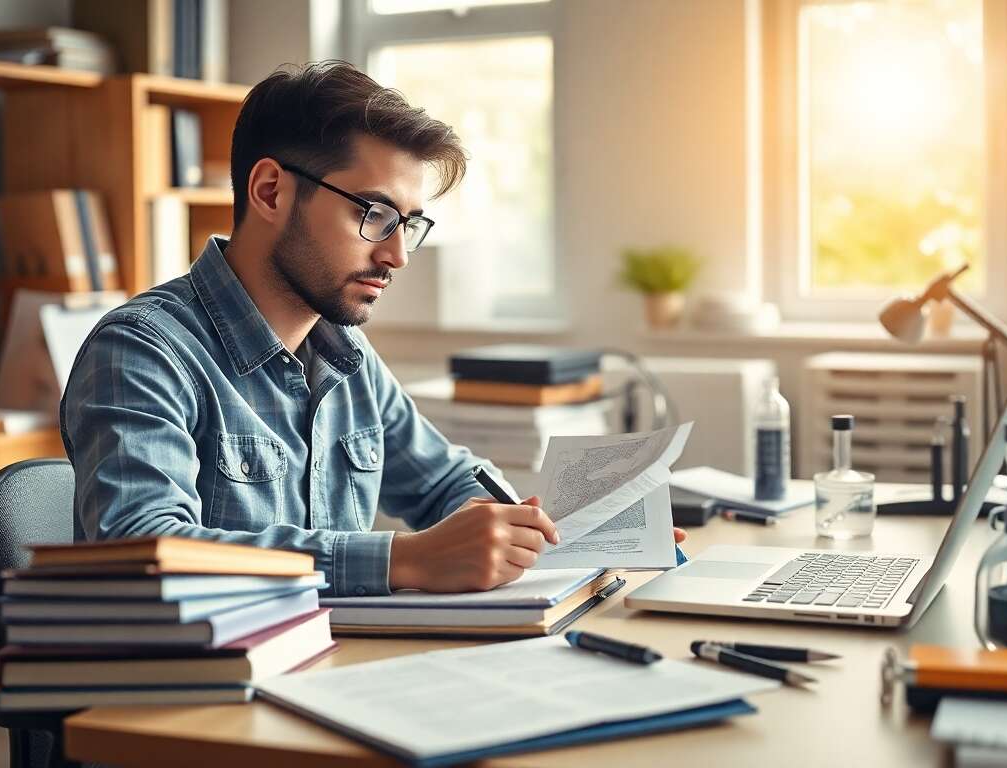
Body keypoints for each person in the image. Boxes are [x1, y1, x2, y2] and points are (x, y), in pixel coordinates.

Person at [61, 61, 683, 597]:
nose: (397, 255)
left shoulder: (342, 353)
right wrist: (405, 559)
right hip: (194, 709)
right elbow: (147, 552)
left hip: (331, 671)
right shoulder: (142, 351)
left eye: (408, 222)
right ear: (272, 191)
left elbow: (444, 481)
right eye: (375, 214)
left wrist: (544, 532)